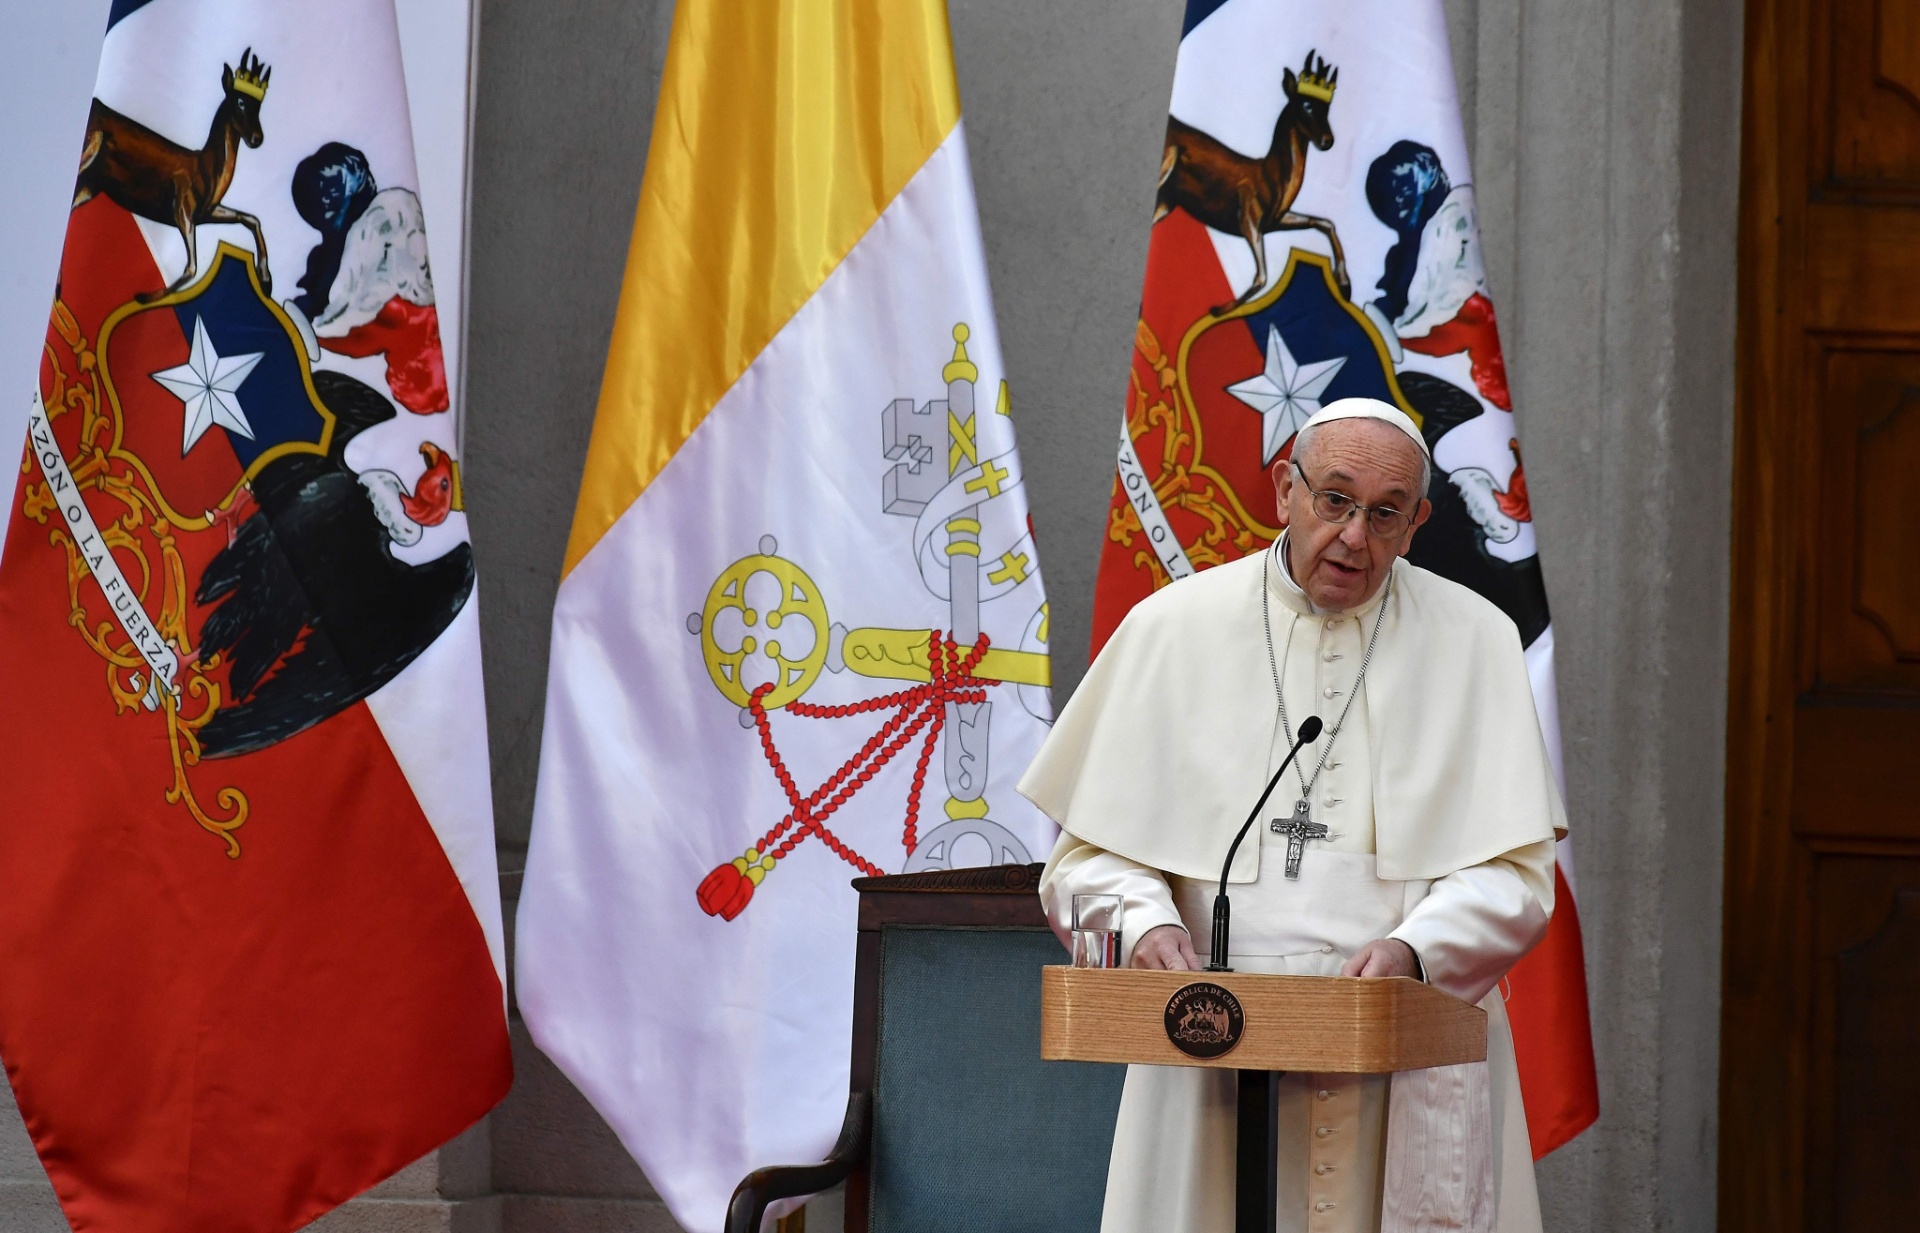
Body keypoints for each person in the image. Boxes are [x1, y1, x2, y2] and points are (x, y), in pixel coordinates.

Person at [1019, 397, 1565, 1233]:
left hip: (1401, 1049)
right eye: (1334, 500)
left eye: (1384, 515)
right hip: (1207, 1043)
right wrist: (1144, 924)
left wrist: (1418, 951)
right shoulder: (1174, 627)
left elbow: (1515, 877)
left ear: (1417, 523)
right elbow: (1087, 860)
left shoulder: (1476, 639)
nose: (1353, 536)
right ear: (1286, 489)